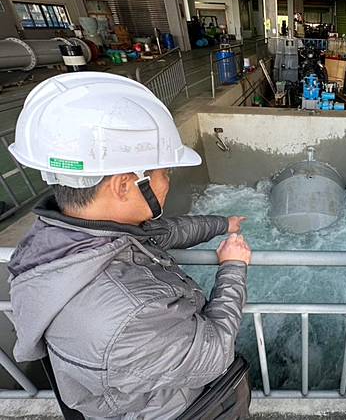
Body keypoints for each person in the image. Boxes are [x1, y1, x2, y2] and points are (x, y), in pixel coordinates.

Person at [7, 72, 252, 419]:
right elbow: (214, 355)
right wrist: (233, 268)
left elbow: (161, 232)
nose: (168, 182)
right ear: (124, 186)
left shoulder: (64, 241)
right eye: (164, 172)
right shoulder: (125, 316)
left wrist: (221, 225)